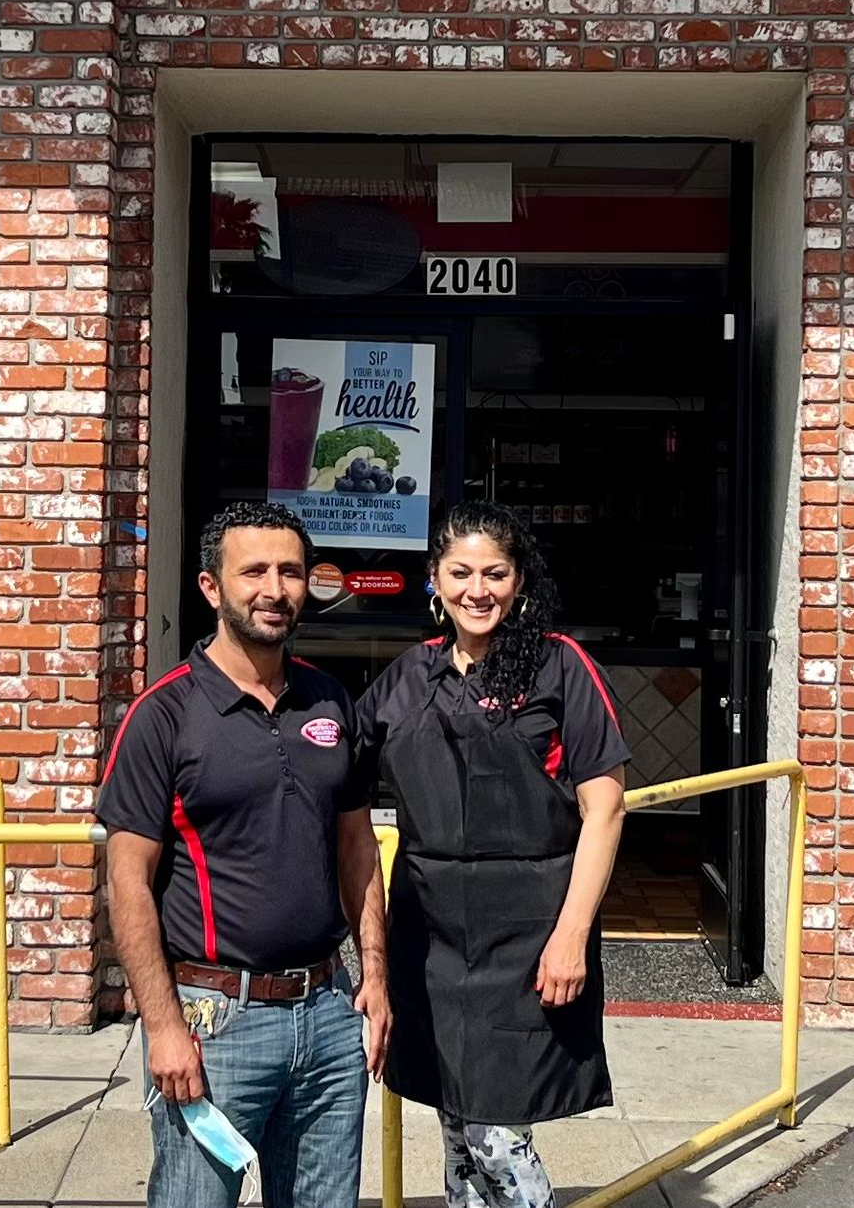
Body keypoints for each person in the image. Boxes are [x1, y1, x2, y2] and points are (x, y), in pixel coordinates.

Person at [98, 501, 390, 1208]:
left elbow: (356, 846)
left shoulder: (328, 700)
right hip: (212, 1020)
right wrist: (162, 1026)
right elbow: (127, 882)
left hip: (326, 1012)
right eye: (253, 570)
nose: (274, 588)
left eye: (290, 571)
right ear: (210, 587)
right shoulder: (162, 715)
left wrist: (374, 979)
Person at [358, 500, 630, 1208]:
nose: (477, 590)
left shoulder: (560, 666)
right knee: (454, 1127)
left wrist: (570, 937)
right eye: (460, 572)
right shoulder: (408, 676)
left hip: (530, 935)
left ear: (518, 582)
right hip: (431, 936)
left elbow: (604, 810)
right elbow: (334, 772)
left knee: (496, 1135)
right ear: (435, 580)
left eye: (494, 573)